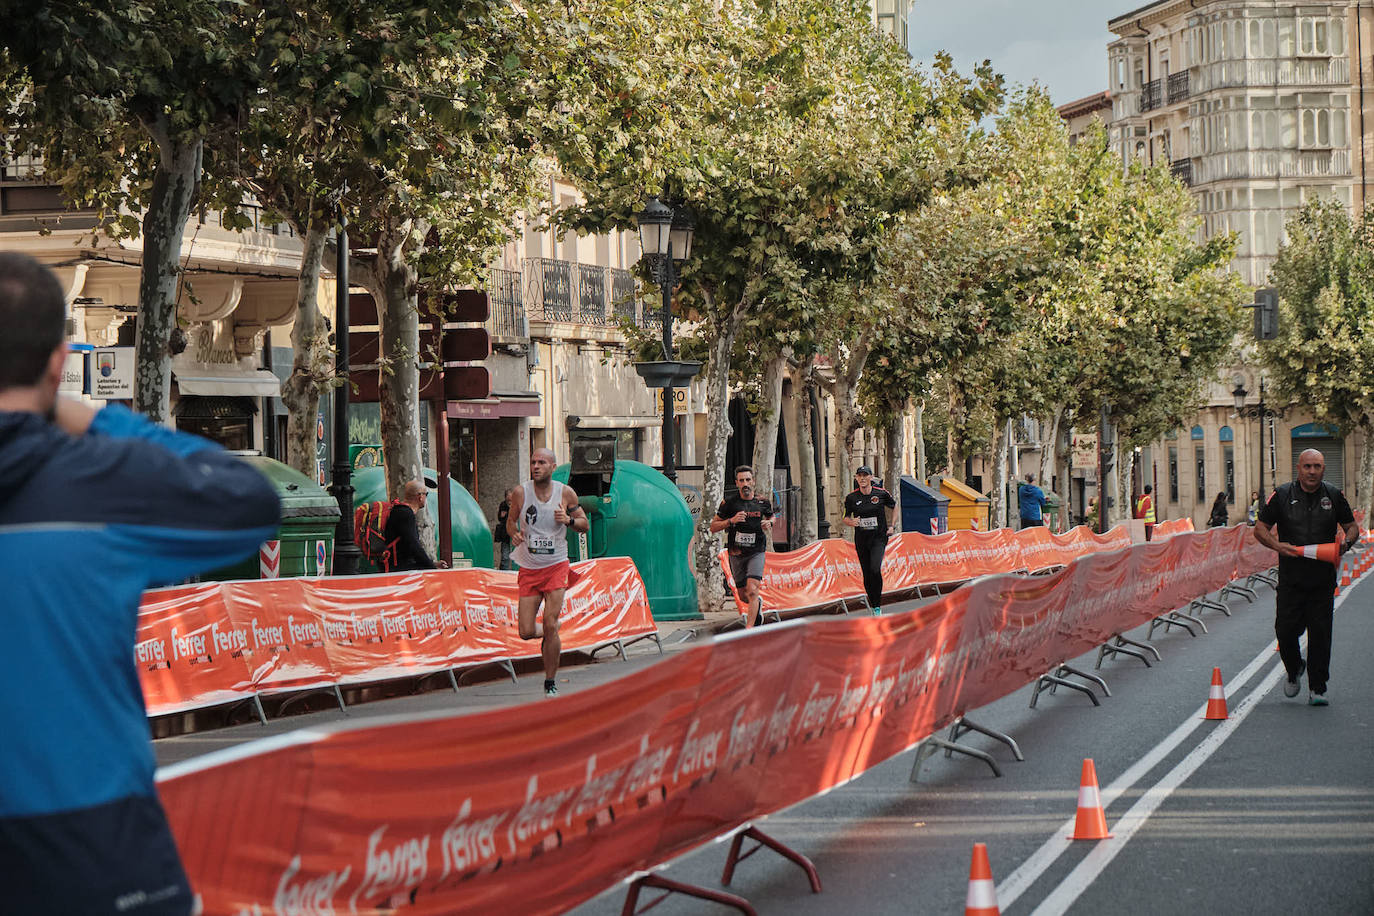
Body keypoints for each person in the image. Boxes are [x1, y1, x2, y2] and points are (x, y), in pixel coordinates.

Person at [0, 253, 281, 914]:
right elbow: (249, 499)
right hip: (100, 843)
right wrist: (92, 416)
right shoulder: (99, 482)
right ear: (57, 362)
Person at [1254, 448, 1360, 706]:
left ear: (1323, 469)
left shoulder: (1334, 495)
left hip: (1322, 580)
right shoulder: (1281, 495)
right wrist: (1279, 547)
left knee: (1320, 633)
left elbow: (1352, 526)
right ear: (1298, 468)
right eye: (1307, 466)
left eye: (1318, 466)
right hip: (1292, 579)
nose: (1312, 471)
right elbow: (1260, 529)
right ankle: (1294, 669)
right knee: (1285, 631)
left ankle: (1318, 687)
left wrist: (1347, 542)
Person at [507, 448, 589, 696]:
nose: (536, 466)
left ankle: (550, 680)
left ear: (553, 466)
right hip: (530, 568)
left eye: (541, 462)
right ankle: (552, 629)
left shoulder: (565, 493)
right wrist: (514, 534)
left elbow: (584, 525)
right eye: (533, 462)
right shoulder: (521, 493)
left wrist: (568, 520)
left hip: (556, 565)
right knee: (526, 632)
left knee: (550, 622)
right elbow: (510, 522)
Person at [710, 465, 774, 627]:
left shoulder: (762, 501)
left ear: (753, 481)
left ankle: (750, 630)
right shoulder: (729, 503)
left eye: (748, 480)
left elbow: (772, 517)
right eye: (741, 481)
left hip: (757, 551)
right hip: (736, 552)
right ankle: (757, 603)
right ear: (736, 483)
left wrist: (769, 522)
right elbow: (713, 526)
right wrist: (731, 521)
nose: (745, 483)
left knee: (752, 589)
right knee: (744, 595)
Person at [843, 465, 896, 614]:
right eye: (859, 476)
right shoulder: (851, 498)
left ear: (871, 478)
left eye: (865, 475)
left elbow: (895, 506)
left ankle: (877, 605)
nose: (862, 478)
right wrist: (851, 522)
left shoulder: (881, 494)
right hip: (861, 539)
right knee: (866, 572)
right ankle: (873, 604)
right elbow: (845, 517)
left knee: (875, 568)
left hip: (878, 538)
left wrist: (892, 525)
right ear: (856, 478)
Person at [383, 479, 448, 571]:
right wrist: (432, 567)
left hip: (397, 567)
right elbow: (414, 546)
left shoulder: (400, 511)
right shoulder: (406, 514)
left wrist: (432, 564)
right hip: (399, 570)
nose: (426, 498)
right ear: (420, 497)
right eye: (426, 494)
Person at [494, 487, 514, 570]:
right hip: (505, 534)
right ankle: (503, 572)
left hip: (515, 533)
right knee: (505, 556)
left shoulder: (517, 504)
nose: (509, 502)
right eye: (508, 500)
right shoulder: (503, 505)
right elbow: (500, 518)